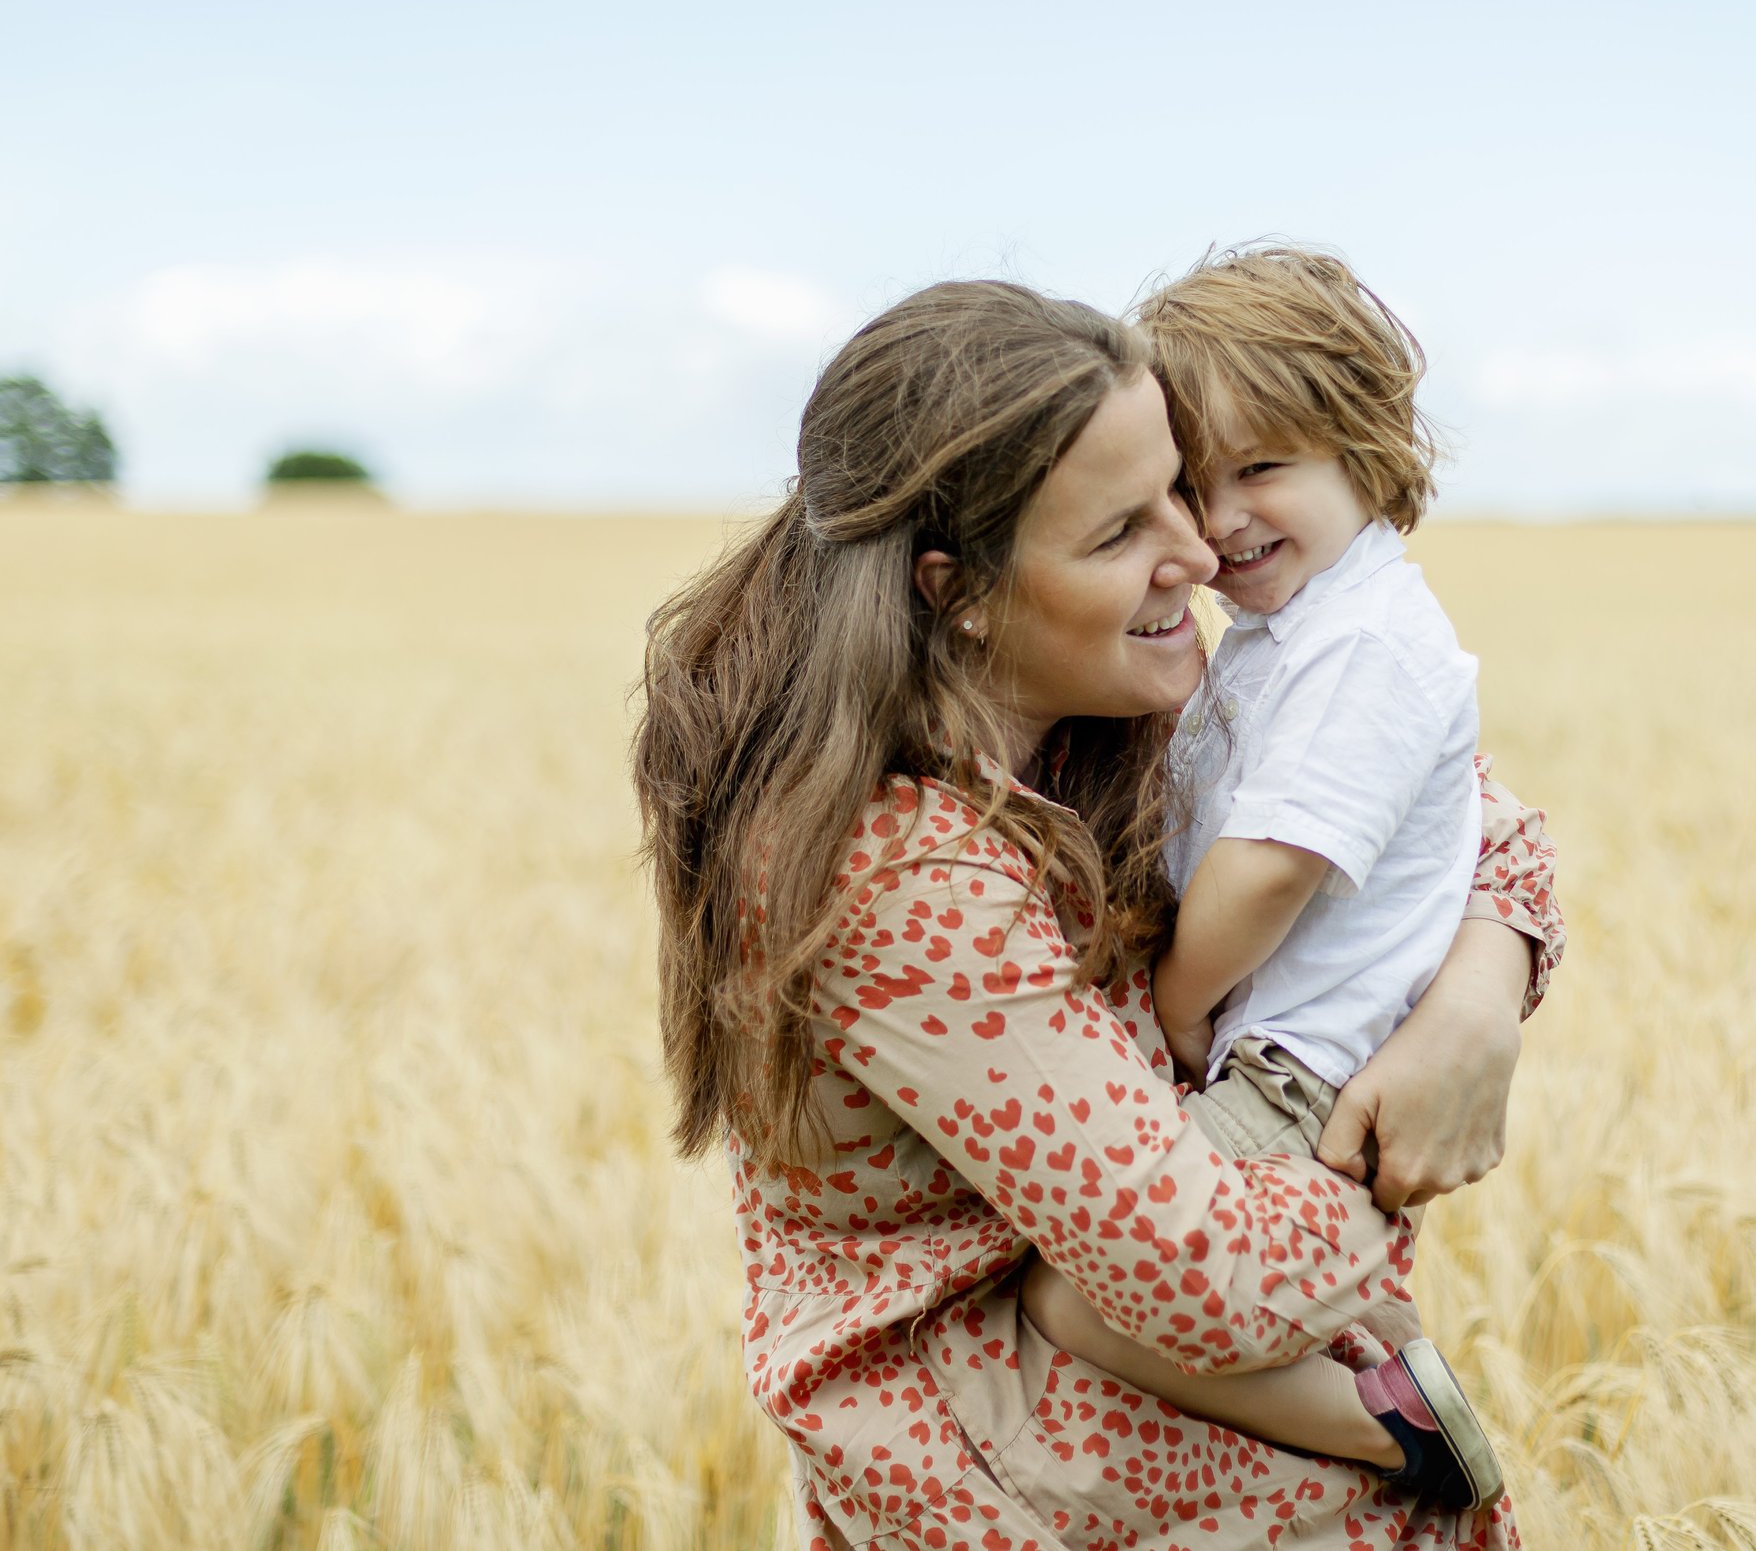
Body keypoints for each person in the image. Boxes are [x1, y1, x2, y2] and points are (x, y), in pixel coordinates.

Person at [632, 280, 1564, 1551]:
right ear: (958, 590)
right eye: (1121, 531)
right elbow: (1201, 1275)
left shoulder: (1110, 722)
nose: (1197, 549)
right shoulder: (896, 876)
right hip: (1033, 1504)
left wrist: (1472, 1005)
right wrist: (1370, 1161)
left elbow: (1464, 809)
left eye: (1180, 487)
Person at [1020, 247, 1507, 1508]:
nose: (1222, 519)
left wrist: (1174, 1011)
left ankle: (1388, 1430)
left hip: (1291, 1074)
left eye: (1263, 469)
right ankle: (1370, 1352)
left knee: (1074, 1296)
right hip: (1277, 1054)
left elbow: (1268, 872)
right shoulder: (1300, 635)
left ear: (1365, 449)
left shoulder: (1364, 651)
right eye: (1192, 481)